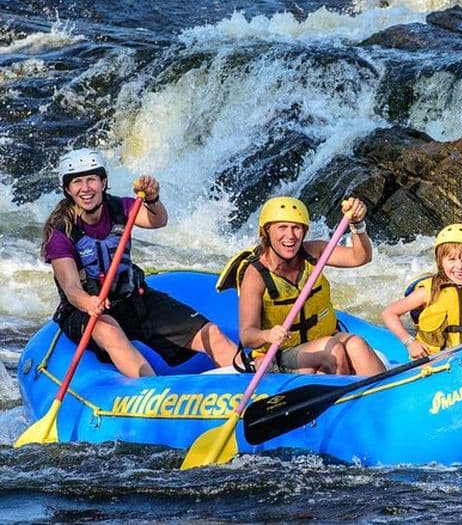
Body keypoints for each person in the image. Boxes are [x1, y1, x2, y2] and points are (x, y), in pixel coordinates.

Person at [42, 147, 239, 377]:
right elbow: (71, 288)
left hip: (132, 300)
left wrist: (153, 199)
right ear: (68, 189)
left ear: (103, 182)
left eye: (91, 180)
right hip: (86, 311)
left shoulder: (120, 208)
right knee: (110, 332)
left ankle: (255, 385)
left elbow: (158, 221)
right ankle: (152, 394)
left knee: (211, 333)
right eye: (77, 182)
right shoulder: (60, 233)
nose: (85, 188)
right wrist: (89, 303)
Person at [227, 196, 385, 376]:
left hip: (322, 337)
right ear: (266, 232)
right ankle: (344, 400)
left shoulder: (314, 252)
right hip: (281, 353)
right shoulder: (255, 274)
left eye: (296, 228)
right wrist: (267, 335)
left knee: (358, 345)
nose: (291, 236)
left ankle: (389, 396)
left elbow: (360, 257)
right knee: (333, 350)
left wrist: (358, 225)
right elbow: (247, 335)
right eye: (282, 227)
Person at [382, 224, 462, 359]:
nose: (459, 266)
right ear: (440, 262)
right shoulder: (429, 290)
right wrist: (409, 342)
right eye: (451, 259)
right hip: (432, 360)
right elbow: (389, 313)